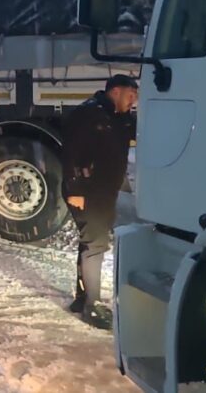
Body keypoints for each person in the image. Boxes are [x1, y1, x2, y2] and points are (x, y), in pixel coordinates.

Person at [61, 74, 138, 328]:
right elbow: (71, 153)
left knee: (90, 243)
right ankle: (91, 307)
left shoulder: (120, 117)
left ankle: (82, 299)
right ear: (116, 91)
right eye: (131, 95)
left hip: (105, 191)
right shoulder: (89, 115)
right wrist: (75, 190)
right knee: (95, 244)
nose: (133, 101)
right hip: (87, 191)